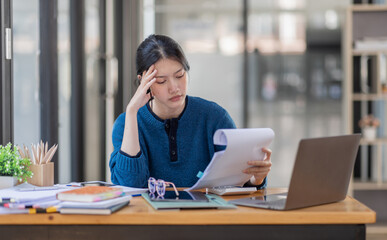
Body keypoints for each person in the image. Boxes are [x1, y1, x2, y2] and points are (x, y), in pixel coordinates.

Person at [109, 34, 272, 188]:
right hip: (150, 217)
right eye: (161, 81)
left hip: (206, 215)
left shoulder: (214, 117)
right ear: (144, 82)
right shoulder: (126, 124)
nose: (174, 88)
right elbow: (129, 186)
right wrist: (131, 112)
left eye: (179, 75)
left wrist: (255, 179)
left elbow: (237, 184)